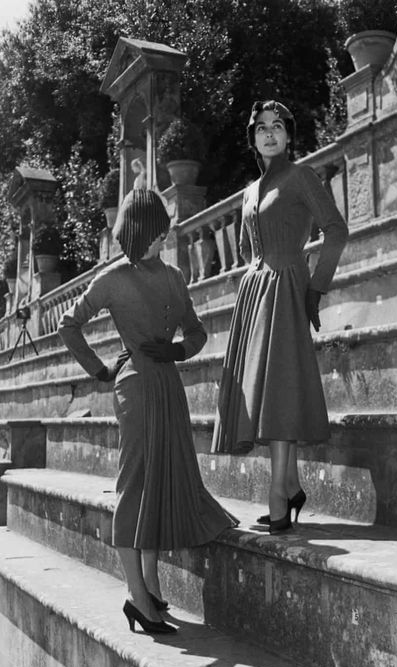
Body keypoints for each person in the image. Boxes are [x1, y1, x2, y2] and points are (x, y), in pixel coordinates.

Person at [59, 189, 237, 635]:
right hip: (135, 389)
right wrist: (100, 370)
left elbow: (196, 333)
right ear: (137, 230)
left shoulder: (176, 276)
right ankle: (136, 597)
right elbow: (69, 324)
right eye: (156, 229)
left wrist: (176, 349)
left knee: (159, 485)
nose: (164, 235)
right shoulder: (114, 277)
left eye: (165, 228)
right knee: (136, 486)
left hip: (168, 386)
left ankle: (152, 589)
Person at [211, 100, 348, 534]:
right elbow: (247, 251)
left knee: (281, 391)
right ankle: (290, 487)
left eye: (277, 127)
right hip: (254, 296)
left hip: (287, 290)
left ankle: (277, 494)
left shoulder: (301, 176)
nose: (269, 134)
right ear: (253, 139)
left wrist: (315, 287)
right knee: (264, 394)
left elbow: (336, 230)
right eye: (261, 128)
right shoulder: (249, 192)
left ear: (289, 135)